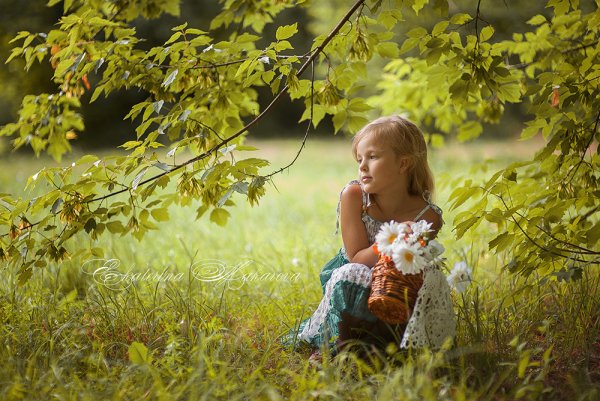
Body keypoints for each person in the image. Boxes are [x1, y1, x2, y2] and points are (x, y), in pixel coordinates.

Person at [283, 115, 455, 361]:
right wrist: (393, 240)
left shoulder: (426, 216)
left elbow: (411, 266)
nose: (362, 166)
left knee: (431, 279)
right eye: (359, 159)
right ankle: (342, 348)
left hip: (394, 284)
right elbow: (357, 257)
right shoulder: (354, 196)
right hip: (356, 278)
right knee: (350, 273)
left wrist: (410, 239)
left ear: (403, 163)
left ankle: (384, 346)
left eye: (372, 157)